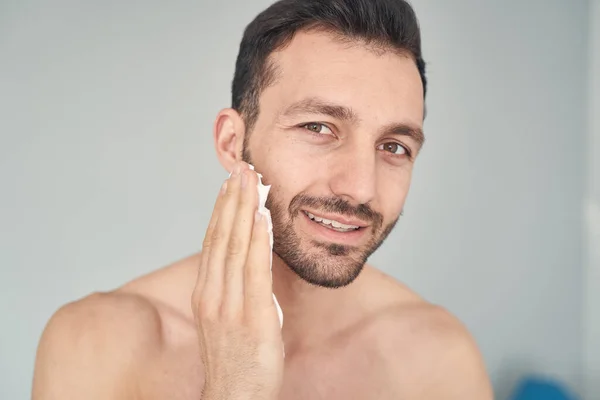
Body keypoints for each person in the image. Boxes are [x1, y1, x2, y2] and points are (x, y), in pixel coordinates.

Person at [32, 0, 494, 398]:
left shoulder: (441, 360)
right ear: (233, 142)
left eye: (394, 146)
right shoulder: (94, 345)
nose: (361, 188)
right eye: (318, 127)